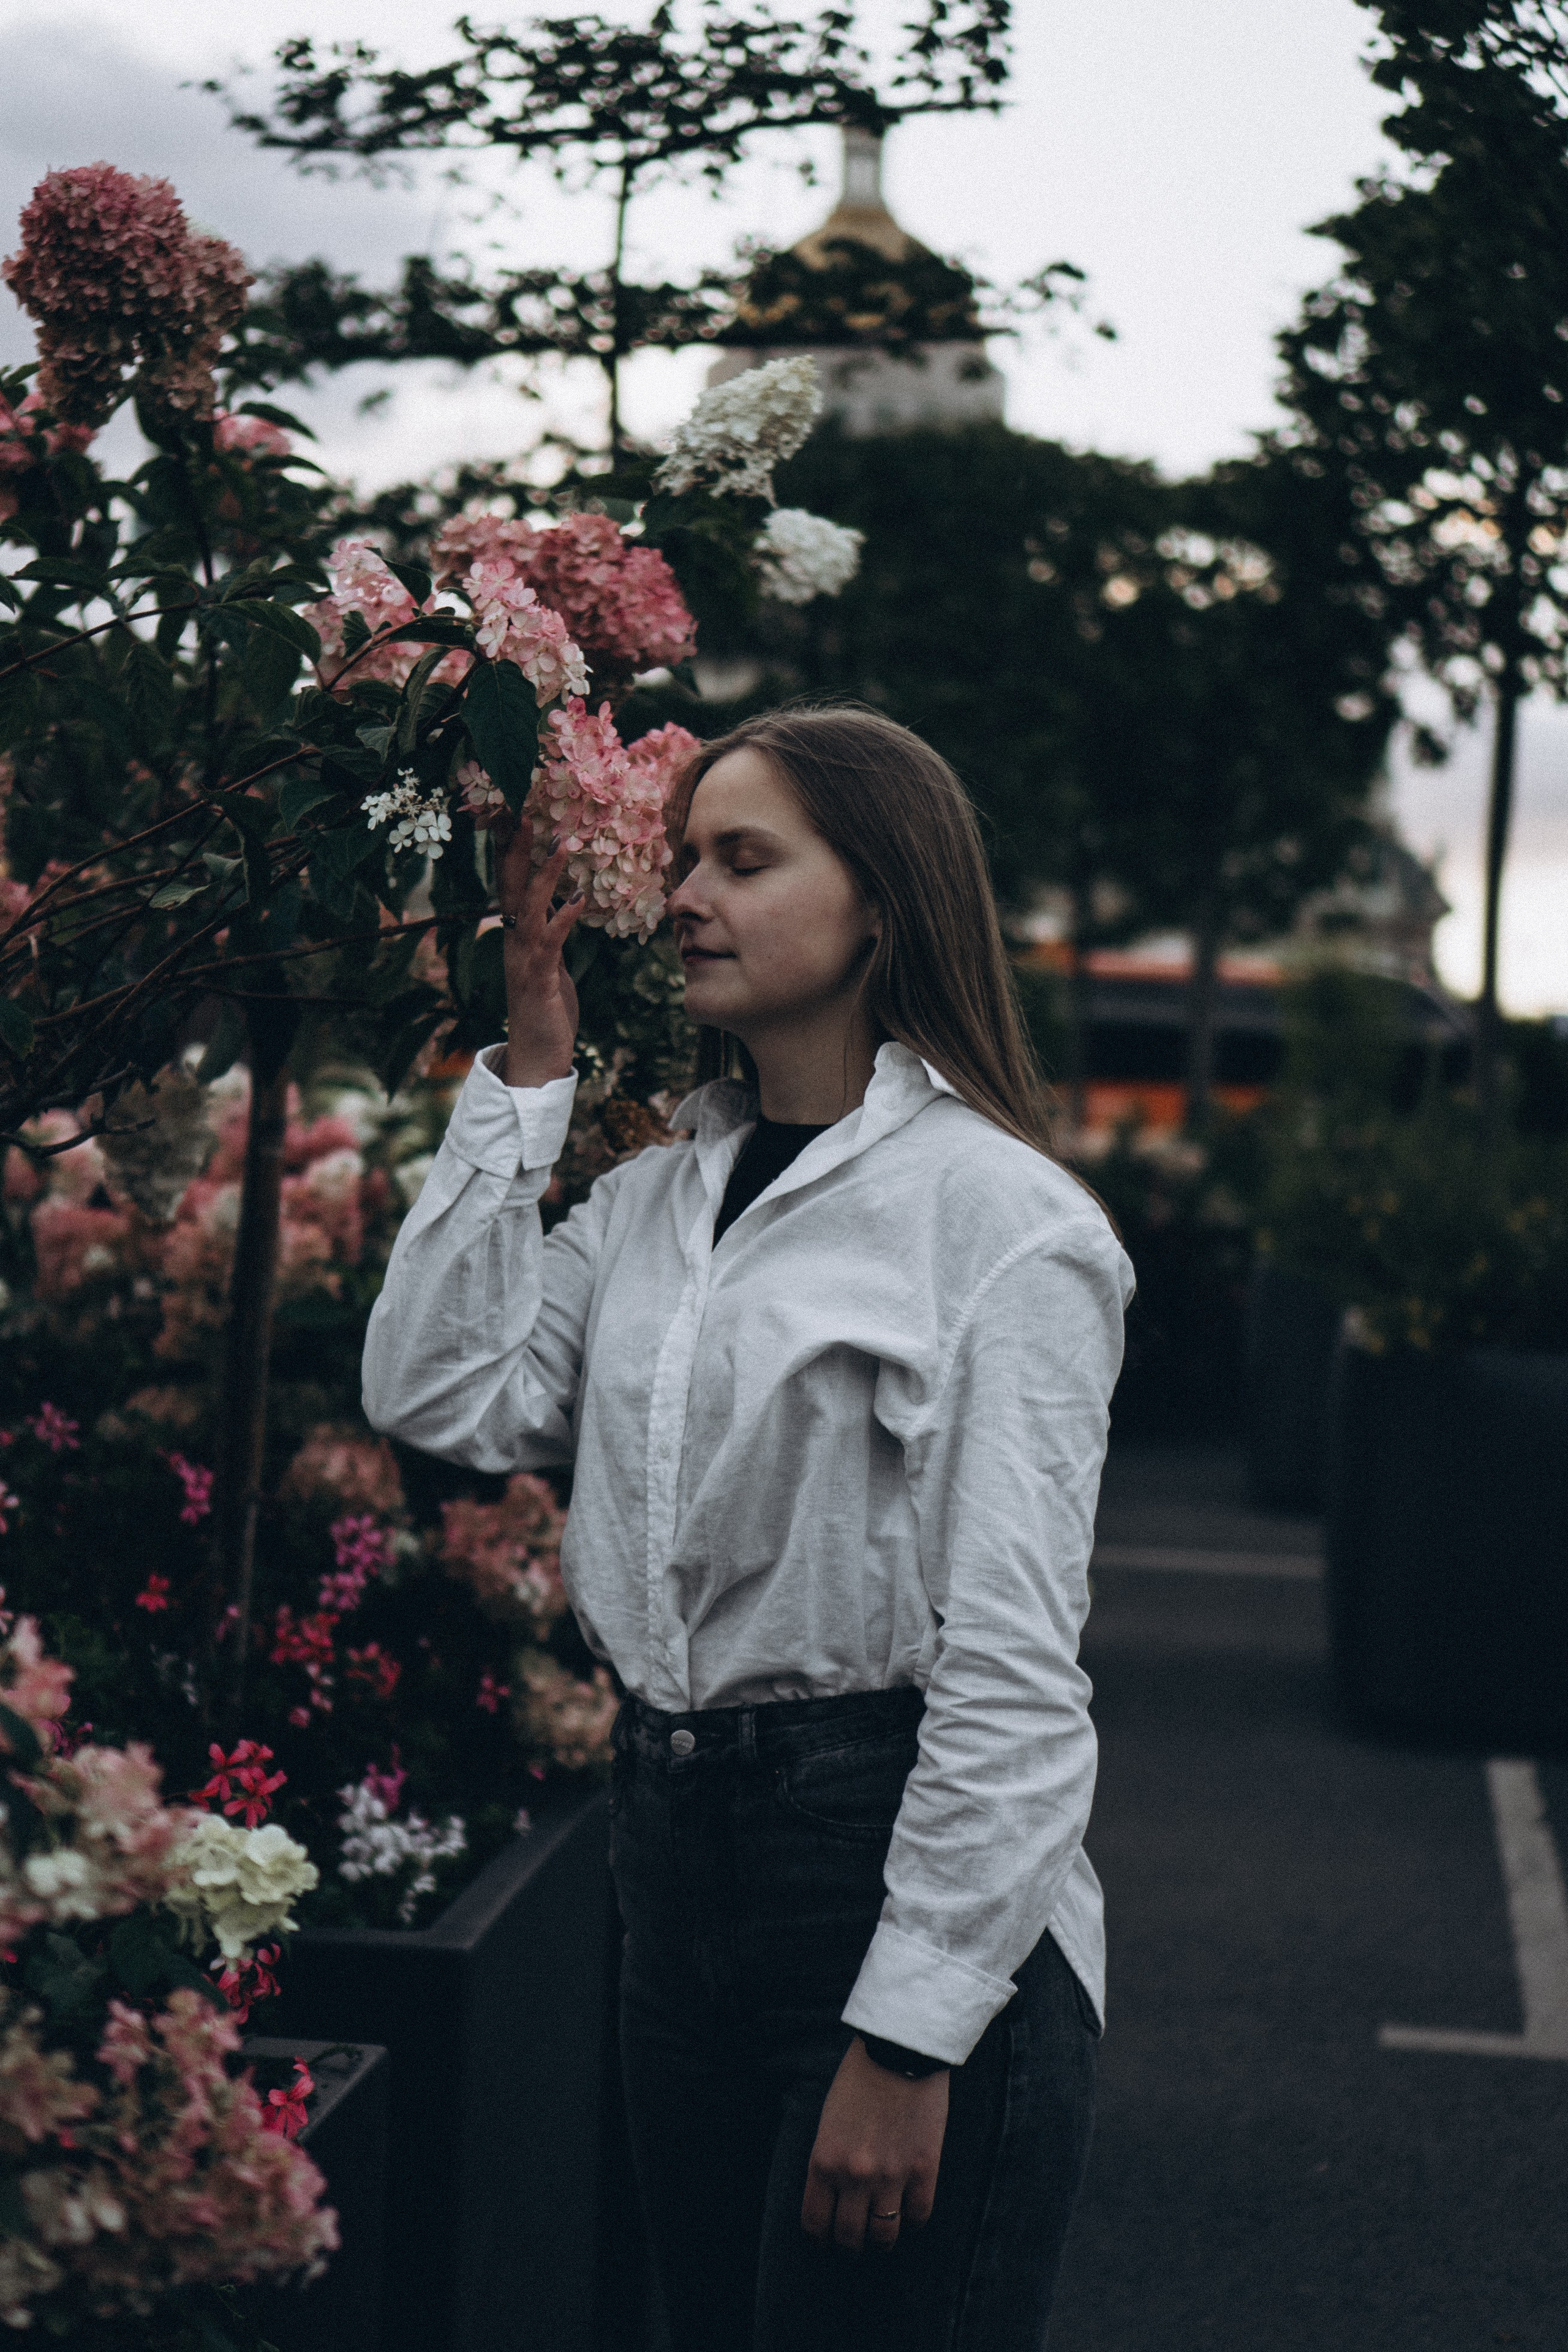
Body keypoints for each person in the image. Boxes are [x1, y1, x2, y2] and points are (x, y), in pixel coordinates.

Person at [362, 704, 1133, 2352]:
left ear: (883, 901)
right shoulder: (656, 1199)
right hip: (671, 1862)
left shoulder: (999, 1224)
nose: (688, 894)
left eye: (746, 858)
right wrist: (531, 1063)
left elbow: (1011, 1672)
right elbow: (444, 1394)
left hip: (886, 1865)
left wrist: (914, 2037)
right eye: (687, 854)